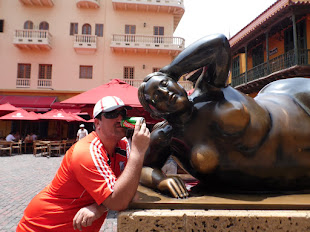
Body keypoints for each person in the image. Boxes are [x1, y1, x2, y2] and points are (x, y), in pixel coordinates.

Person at [138, 33, 310, 198]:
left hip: (295, 110)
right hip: (293, 174)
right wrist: (160, 181)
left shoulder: (209, 88)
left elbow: (218, 43)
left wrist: (171, 70)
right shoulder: (166, 137)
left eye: (165, 84)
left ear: (175, 81)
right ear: (155, 111)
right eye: (157, 97)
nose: (165, 93)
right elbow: (143, 169)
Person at [17, 96, 150, 232]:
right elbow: (118, 201)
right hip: (43, 226)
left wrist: (100, 207)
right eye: (112, 114)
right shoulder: (87, 151)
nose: (120, 119)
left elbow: (129, 189)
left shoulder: (122, 145)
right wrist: (138, 152)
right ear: (97, 123)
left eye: (123, 113)